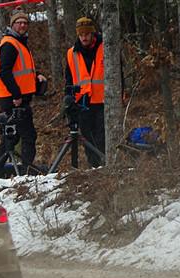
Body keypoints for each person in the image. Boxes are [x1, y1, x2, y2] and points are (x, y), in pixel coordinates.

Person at [0, 10, 47, 178]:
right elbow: (5, 72)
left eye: (25, 22)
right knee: (28, 135)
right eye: (19, 22)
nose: (22, 25)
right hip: (13, 99)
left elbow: (20, 72)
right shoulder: (10, 44)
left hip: (15, 97)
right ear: (12, 24)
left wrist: (36, 78)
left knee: (12, 136)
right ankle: (26, 172)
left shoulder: (19, 42)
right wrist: (16, 95)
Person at [65, 16, 105, 168]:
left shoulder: (105, 47)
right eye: (81, 34)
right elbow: (68, 80)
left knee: (102, 137)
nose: (84, 37)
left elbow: (117, 75)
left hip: (102, 101)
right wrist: (68, 98)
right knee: (87, 138)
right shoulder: (71, 53)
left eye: (87, 34)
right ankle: (94, 166)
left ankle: (104, 164)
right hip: (82, 103)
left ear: (92, 33)